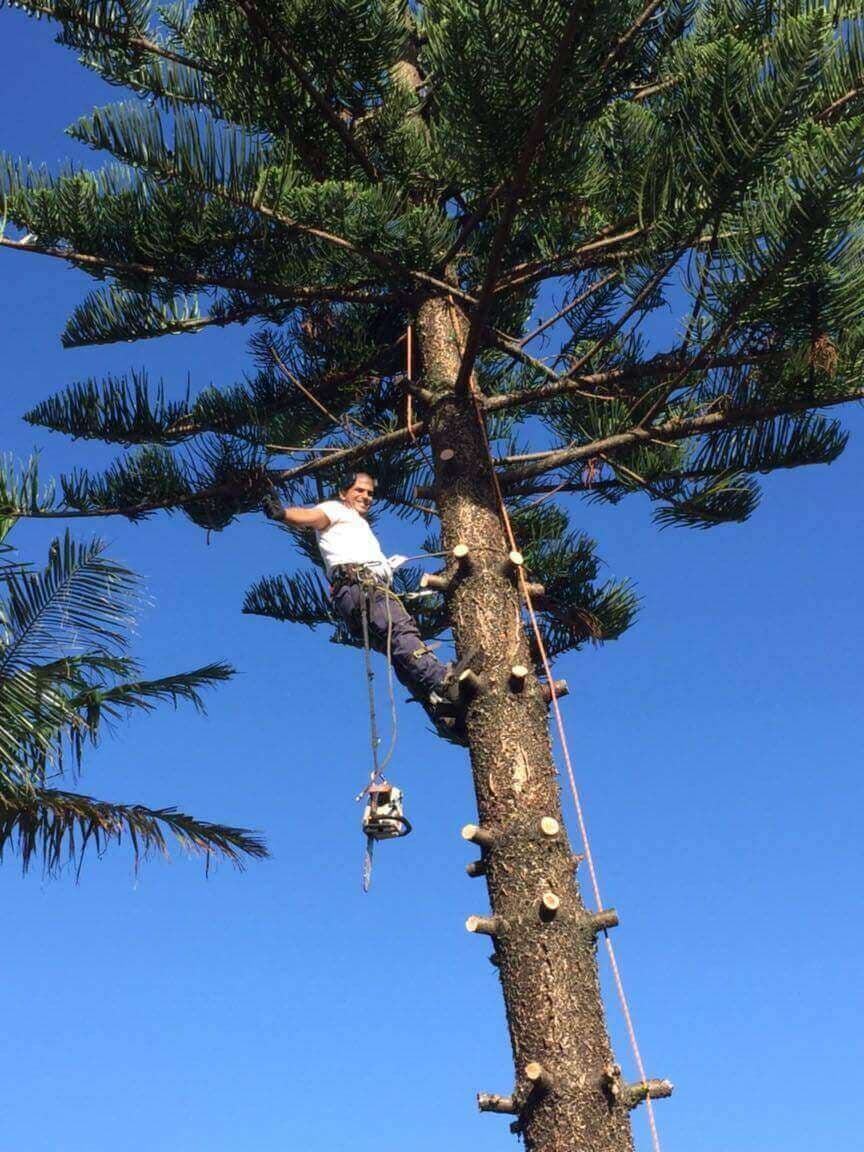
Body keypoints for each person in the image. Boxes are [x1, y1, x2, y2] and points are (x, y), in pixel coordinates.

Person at [262, 471, 454, 709]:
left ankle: (442, 708)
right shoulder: (336, 509)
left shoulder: (358, 526)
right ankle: (443, 682)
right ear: (344, 493)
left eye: (370, 493)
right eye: (359, 490)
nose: (366, 496)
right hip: (361, 587)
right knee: (401, 633)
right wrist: (283, 513)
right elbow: (312, 516)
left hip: (355, 593)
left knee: (398, 654)